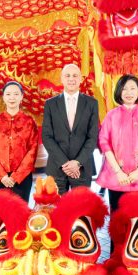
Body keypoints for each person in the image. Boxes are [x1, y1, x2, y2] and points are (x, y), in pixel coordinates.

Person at [96, 74, 138, 212]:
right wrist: (118, 172)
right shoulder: (111, 116)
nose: (129, 93)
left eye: (133, 88)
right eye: (124, 89)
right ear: (119, 91)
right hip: (116, 177)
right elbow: (104, 142)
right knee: (118, 217)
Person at [42, 63, 100, 194]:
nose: (71, 79)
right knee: (57, 206)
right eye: (67, 76)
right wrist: (65, 163)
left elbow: (92, 137)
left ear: (80, 79)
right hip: (57, 167)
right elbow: (47, 136)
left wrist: (77, 162)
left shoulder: (92, 103)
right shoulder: (50, 104)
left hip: (82, 168)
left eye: (75, 75)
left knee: (80, 206)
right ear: (62, 79)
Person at [0, 80, 40, 202]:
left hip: (22, 178)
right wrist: (2, 175)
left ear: (21, 97)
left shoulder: (29, 122)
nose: (12, 98)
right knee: (0, 210)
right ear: (3, 97)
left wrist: (17, 176)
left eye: (16, 94)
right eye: (8, 94)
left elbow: (33, 150)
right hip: (0, 178)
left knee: (21, 210)